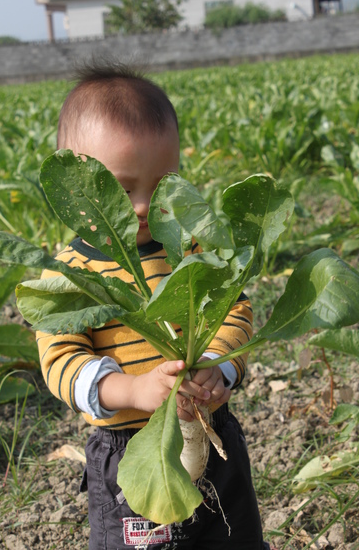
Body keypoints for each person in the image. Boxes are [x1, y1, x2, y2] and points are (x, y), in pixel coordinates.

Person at [37, 59, 271, 549]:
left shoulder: (191, 248)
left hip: (211, 434)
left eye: (161, 185)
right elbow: (62, 365)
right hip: (130, 457)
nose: (143, 206)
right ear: (78, 194)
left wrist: (216, 367)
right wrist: (134, 390)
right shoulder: (68, 275)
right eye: (121, 191)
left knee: (235, 538)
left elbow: (235, 310)